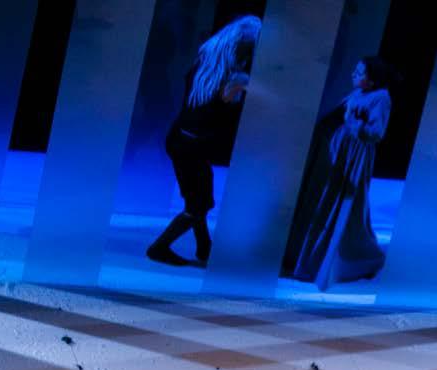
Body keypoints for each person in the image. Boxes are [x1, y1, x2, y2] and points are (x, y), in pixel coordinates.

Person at [145, 15, 261, 267]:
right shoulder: (233, 77)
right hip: (191, 145)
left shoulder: (204, 64)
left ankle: (204, 249)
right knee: (198, 204)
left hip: (183, 140)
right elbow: (229, 102)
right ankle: (159, 248)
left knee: (200, 201)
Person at [282, 57, 395, 289]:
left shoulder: (381, 97)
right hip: (337, 154)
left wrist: (352, 123)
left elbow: (376, 132)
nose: (354, 75)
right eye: (355, 70)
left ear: (373, 79)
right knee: (322, 203)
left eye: (360, 72)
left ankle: (350, 260)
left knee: (343, 207)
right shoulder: (357, 93)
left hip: (353, 157)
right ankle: (305, 256)